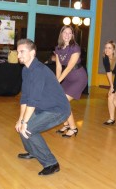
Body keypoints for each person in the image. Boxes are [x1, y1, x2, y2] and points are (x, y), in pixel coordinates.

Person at [15, 39, 71, 176]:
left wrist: (24, 122)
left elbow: (32, 101)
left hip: (58, 110)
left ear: (32, 53)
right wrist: (20, 119)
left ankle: (51, 163)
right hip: (43, 107)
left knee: (28, 128)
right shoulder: (26, 70)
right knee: (22, 127)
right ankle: (33, 152)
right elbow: (25, 97)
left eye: (22, 51)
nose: (18, 55)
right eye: (17, 52)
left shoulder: (38, 71)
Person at [54, 25, 88, 137]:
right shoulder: (58, 48)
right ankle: (67, 124)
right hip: (67, 78)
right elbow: (59, 67)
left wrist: (58, 81)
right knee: (59, 100)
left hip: (79, 78)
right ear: (61, 34)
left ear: (72, 35)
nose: (67, 35)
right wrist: (56, 82)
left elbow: (68, 67)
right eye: (65, 33)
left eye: (70, 33)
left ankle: (73, 128)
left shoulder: (75, 48)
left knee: (63, 101)